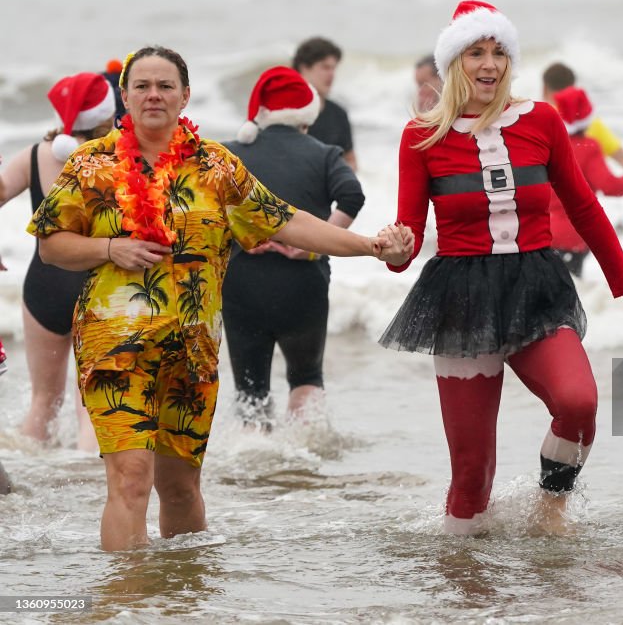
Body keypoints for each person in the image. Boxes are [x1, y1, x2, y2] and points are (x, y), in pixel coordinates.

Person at [26, 45, 411, 551]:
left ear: (185, 95)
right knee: (131, 479)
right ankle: (127, 605)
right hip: (113, 347)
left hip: (192, 347)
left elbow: (287, 220)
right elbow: (52, 244)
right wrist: (109, 247)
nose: (154, 95)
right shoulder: (90, 165)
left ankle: (183, 594)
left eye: (166, 86)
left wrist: (369, 247)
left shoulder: (217, 167)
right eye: (142, 86)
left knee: (181, 490)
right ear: (125, 96)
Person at [379, 0, 623, 535]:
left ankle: (551, 508)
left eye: (499, 52)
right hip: (460, 300)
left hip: (536, 288)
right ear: (453, 63)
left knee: (578, 402)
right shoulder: (421, 137)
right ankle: (464, 582)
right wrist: (394, 250)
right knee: (472, 475)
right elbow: (408, 238)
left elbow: (585, 208)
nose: (489, 64)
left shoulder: (542, 121)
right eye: (475, 52)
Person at [223, 66, 365, 427]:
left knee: (250, 389)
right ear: (306, 115)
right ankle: (302, 460)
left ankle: (257, 467)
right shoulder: (324, 154)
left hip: (241, 281)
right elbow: (352, 195)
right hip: (303, 281)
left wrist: (240, 234)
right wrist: (312, 244)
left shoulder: (228, 154)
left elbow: (202, 207)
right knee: (306, 377)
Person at [0, 72, 118, 449]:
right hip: (98, 284)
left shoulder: (35, 155)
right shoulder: (119, 157)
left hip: (43, 285)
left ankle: (28, 473)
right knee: (93, 403)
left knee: (43, 402)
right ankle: (86, 486)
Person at [548, 86, 623, 276]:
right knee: (572, 293)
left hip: (544, 232)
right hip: (574, 235)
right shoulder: (588, 147)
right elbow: (610, 187)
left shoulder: (550, 144)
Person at [541, 62, 623, 174]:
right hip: (587, 190)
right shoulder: (589, 123)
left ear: (545, 89)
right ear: (573, 88)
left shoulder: (537, 120)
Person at [293, 37, 358, 170]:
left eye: (334, 68)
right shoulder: (282, 112)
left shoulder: (339, 114)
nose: (331, 74)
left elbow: (351, 161)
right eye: (325, 67)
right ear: (304, 68)